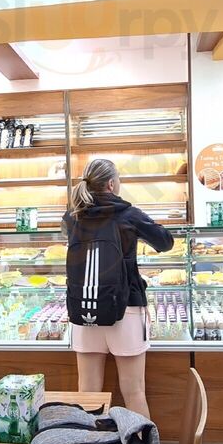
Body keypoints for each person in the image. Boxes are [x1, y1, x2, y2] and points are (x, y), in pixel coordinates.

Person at [63, 159, 173, 418]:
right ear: (112, 184)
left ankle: (89, 440)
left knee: (88, 391)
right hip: (126, 309)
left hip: (85, 308)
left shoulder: (72, 216)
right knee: (134, 391)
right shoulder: (128, 214)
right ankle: (140, 441)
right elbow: (165, 242)